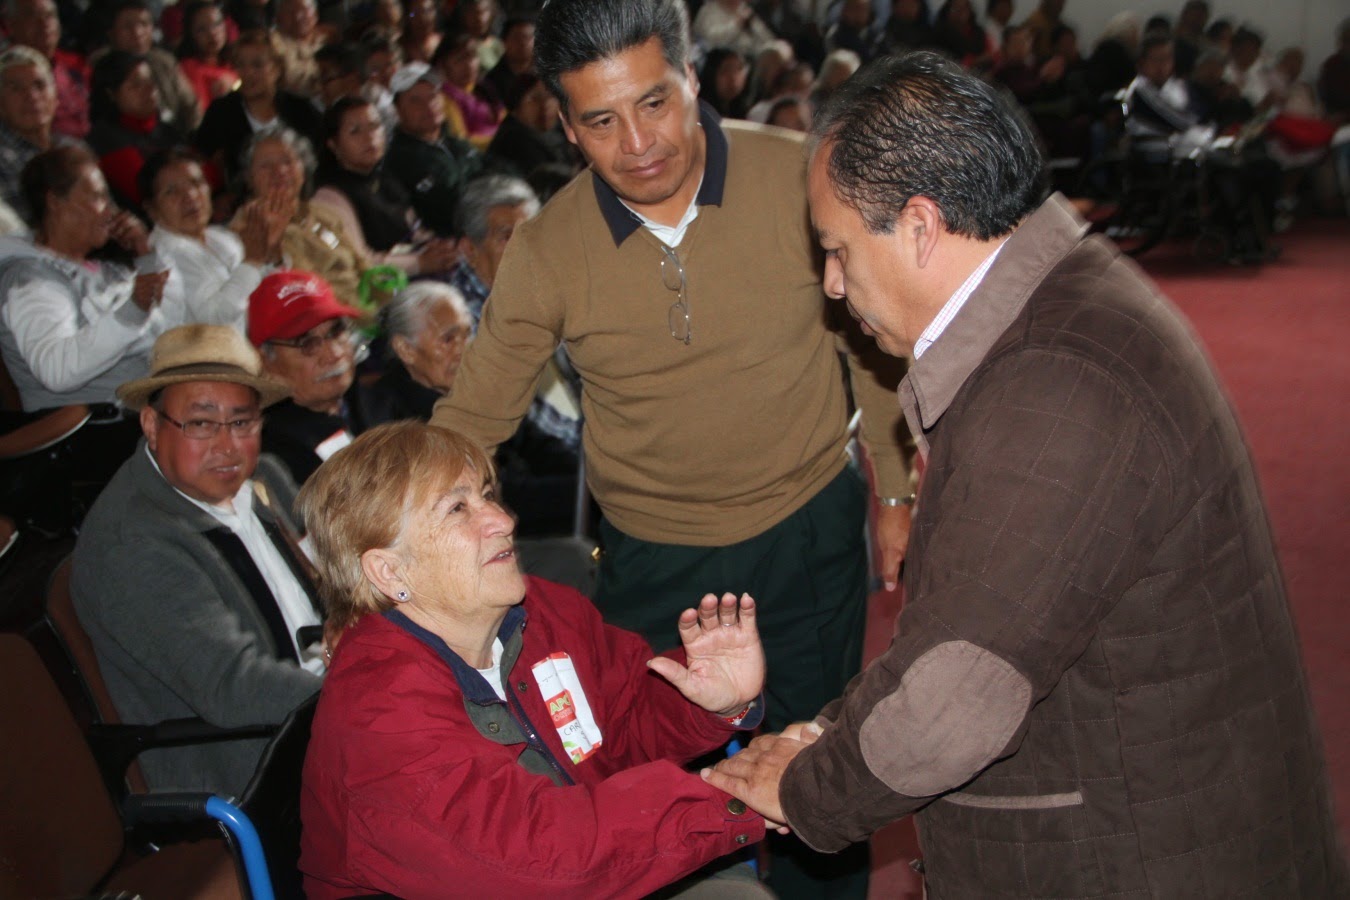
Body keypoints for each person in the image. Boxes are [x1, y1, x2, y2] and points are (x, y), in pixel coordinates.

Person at [703, 51, 1350, 898]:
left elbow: (952, 697)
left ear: (922, 226)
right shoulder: (1061, 306)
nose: (832, 285)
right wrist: (828, 732)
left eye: (837, 250)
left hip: (1143, 859)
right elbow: (983, 618)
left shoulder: (1053, 384)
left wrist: (801, 784)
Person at [431, 0, 913, 895]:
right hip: (655, 562)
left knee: (817, 775)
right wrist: (391, 535)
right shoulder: (547, 248)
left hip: (804, 529)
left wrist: (894, 499)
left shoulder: (796, 180)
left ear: (693, 79)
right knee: (661, 796)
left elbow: (874, 345)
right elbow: (472, 419)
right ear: (567, 127)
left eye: (655, 103)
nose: (639, 143)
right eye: (602, 121)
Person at [296, 421, 769, 899]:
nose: (503, 519)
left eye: (486, 495)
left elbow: (621, 723)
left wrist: (710, 698)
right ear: (389, 570)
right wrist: (734, 797)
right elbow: (527, 859)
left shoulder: (542, 614)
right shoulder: (378, 712)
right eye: (458, 508)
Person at [70, 323, 323, 795]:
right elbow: (233, 686)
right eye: (202, 423)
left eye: (243, 422)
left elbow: (334, 576)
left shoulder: (263, 477)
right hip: (248, 760)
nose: (228, 446)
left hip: (318, 703)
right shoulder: (133, 542)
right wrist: (366, 698)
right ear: (151, 424)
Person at [312, 95, 458, 276]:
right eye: (355, 131)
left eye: (374, 126)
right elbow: (358, 262)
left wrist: (437, 248)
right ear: (333, 145)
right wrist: (419, 262)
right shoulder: (330, 196)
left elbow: (414, 230)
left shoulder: (385, 177)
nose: (369, 137)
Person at [143, 147, 284, 334]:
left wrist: (271, 250)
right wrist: (252, 261)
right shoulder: (163, 254)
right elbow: (214, 319)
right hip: (208, 358)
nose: (190, 197)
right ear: (152, 209)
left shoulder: (218, 236)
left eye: (196, 183)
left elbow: (265, 288)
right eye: (172, 192)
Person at [249, 269, 371, 484]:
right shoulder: (279, 452)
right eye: (307, 344)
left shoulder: (374, 395)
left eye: (336, 332)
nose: (334, 354)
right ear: (265, 360)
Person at [236, 127, 369, 311]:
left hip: (365, 311)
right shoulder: (245, 229)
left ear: (304, 169)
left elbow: (363, 267)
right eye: (266, 165)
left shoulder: (324, 214)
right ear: (249, 178)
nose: (279, 171)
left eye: (287, 161)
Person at [194, 28, 324, 188]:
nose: (247, 73)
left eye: (257, 65)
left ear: (277, 68)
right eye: (240, 65)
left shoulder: (301, 109)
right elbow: (202, 159)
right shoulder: (221, 111)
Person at [383, 60, 483, 237]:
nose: (428, 105)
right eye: (415, 100)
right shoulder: (397, 161)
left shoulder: (458, 144)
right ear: (397, 109)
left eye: (433, 96)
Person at [86, 50, 186, 209]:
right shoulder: (106, 139)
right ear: (111, 93)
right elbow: (151, 194)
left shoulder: (168, 131)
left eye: (150, 80)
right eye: (136, 85)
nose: (150, 89)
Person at [366, 280, 470, 422]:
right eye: (448, 339)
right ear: (405, 349)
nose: (464, 349)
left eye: (467, 335)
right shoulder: (391, 423)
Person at [96, 0, 200, 132]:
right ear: (111, 33)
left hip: (172, 134)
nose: (138, 32)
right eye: (128, 26)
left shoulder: (164, 60)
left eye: (144, 24)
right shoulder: (102, 64)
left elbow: (190, 105)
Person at [3, 0, 89, 139]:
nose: (44, 23)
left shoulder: (78, 65)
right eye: (32, 16)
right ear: (11, 25)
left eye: (49, 15)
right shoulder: (6, 72)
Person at [0, 45, 59, 226]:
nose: (32, 96)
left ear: (56, 98)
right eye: (16, 88)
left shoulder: (75, 148)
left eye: (39, 85)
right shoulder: (2, 159)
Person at [176, 0, 239, 114]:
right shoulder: (189, 68)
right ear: (191, 34)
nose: (212, 33)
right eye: (202, 29)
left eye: (217, 24)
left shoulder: (235, 60)